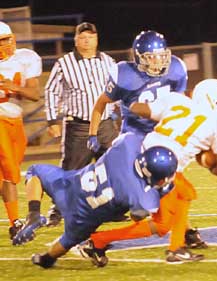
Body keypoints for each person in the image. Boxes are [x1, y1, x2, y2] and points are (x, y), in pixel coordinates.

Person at [78, 79, 217, 265]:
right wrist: (206, 160)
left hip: (139, 153)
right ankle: (97, 241)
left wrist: (132, 98)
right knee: (161, 224)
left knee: (184, 193)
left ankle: (177, 247)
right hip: (161, 168)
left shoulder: (178, 100)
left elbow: (138, 108)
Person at [11, 132, 178, 269]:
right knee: (68, 240)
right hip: (82, 217)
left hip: (71, 186)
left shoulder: (128, 144)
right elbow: (138, 215)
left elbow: (124, 141)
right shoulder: (142, 196)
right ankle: (46, 259)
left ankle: (33, 213)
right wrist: (160, 190)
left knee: (35, 172)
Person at [44, 22, 119, 226]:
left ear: (97, 39)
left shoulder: (108, 61)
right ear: (76, 40)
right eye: (83, 37)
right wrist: (52, 120)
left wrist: (120, 113)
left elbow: (117, 89)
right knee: (71, 170)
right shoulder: (64, 63)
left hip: (105, 125)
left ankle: (114, 207)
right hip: (78, 126)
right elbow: (51, 91)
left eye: (91, 36)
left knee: (115, 166)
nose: (87, 40)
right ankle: (57, 209)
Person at [0, 21, 42, 239]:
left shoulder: (25, 58)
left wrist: (13, 87)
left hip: (15, 121)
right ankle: (16, 221)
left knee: (9, 176)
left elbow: (34, 94)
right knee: (9, 168)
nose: (6, 45)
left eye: (8, 39)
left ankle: (13, 222)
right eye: (1, 41)